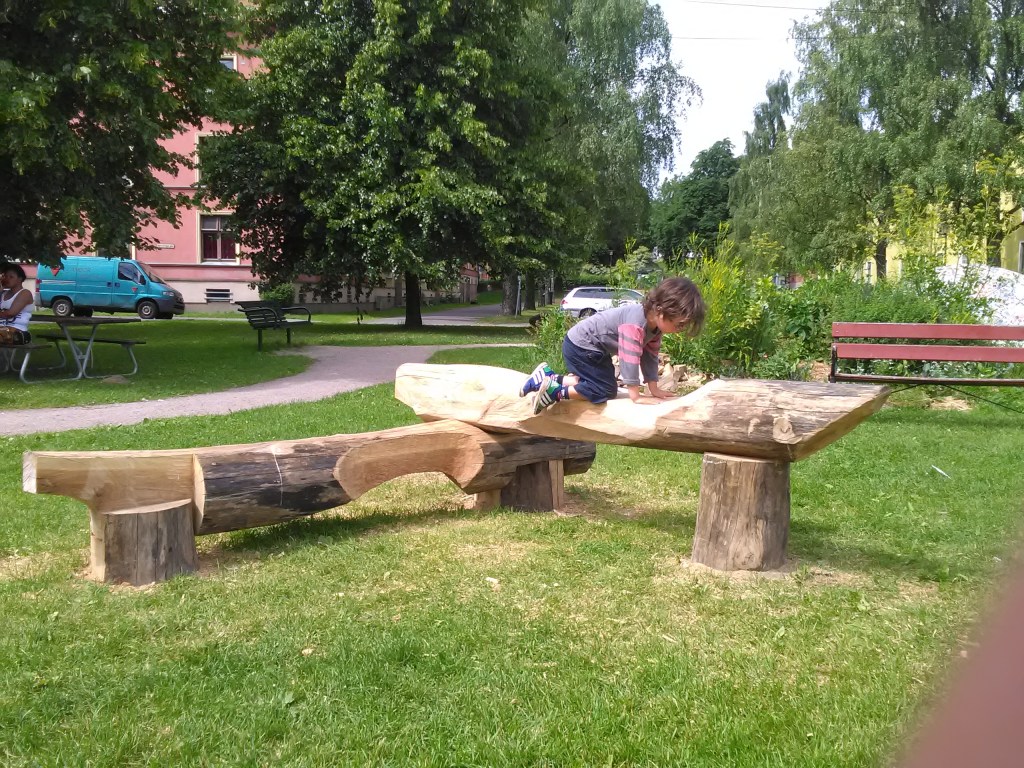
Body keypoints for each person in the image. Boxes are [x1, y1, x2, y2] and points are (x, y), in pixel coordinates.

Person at [521, 276, 706, 414]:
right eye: (679, 324)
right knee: (605, 389)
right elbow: (629, 358)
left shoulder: (655, 327)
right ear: (660, 310)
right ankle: (556, 392)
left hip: (592, 348)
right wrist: (636, 395)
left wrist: (654, 389)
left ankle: (547, 377)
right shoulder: (635, 324)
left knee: (598, 383)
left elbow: (649, 356)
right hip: (581, 346)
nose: (681, 329)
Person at [0, 262, 34, 344]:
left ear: (20, 279)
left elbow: (10, 313)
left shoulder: (25, 293)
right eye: (5, 276)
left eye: (11, 277)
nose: (7, 279)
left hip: (16, 331)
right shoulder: (3, 293)